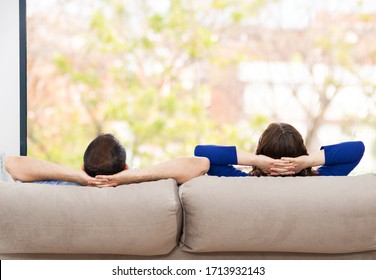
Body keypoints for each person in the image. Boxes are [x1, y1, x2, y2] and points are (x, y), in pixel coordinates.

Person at [1, 133, 210, 187]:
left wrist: (76, 176)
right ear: (126, 167)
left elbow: (10, 164)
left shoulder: (61, 187)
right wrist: (132, 177)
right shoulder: (145, 185)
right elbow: (200, 164)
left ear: (83, 167)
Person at [194, 122, 365, 177]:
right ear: (301, 150)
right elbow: (357, 149)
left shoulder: (242, 181)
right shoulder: (321, 180)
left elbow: (202, 153)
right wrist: (306, 162)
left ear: (262, 150)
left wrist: (255, 160)